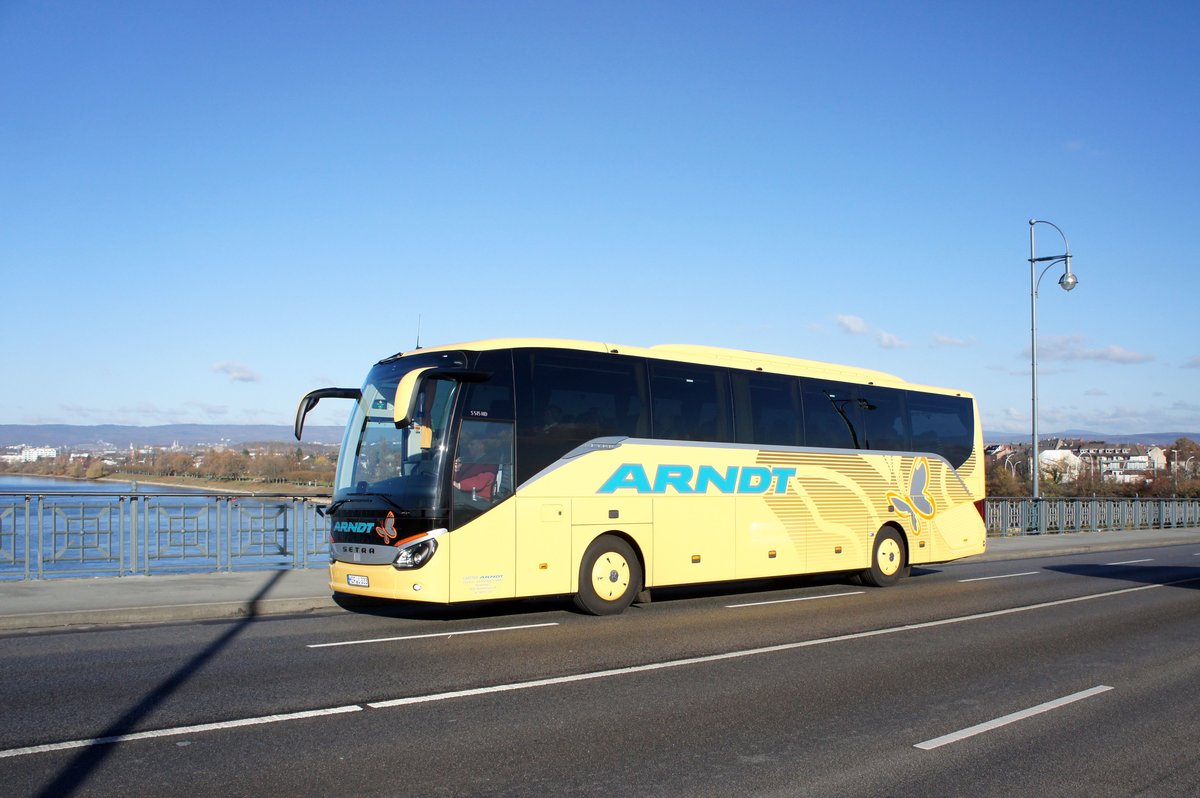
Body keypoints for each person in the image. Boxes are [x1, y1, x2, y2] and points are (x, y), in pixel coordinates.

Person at [452, 437, 497, 501]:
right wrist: (456, 470)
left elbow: (481, 480)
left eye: (472, 444)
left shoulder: (490, 462)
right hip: (465, 495)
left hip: (479, 500)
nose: (469, 446)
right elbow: (459, 477)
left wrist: (460, 485)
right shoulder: (468, 461)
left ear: (481, 445)